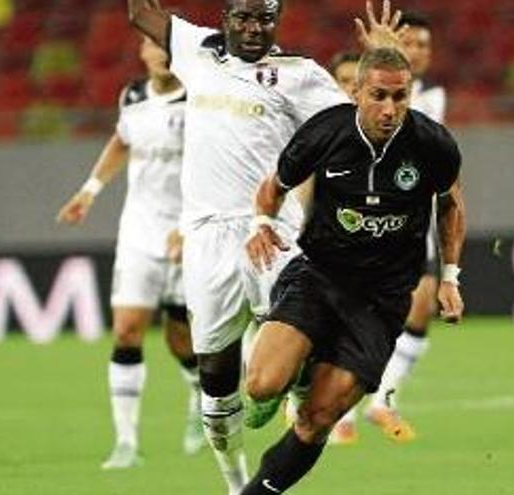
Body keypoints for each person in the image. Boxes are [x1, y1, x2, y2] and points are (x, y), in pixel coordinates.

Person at [125, 0, 396, 492]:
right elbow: (140, 14)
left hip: (273, 231)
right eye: (244, 18)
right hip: (207, 239)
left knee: (298, 335)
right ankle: (235, 483)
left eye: (265, 19)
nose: (254, 28)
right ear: (225, 19)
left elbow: (364, 123)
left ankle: (291, 392)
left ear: (278, 21)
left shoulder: (300, 75)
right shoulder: (194, 51)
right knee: (216, 375)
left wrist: (382, 57)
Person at [240, 46, 466, 495]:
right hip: (318, 277)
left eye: (400, 97)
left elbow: (451, 206)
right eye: (379, 95)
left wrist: (450, 276)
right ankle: (298, 374)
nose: (390, 108)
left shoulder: (432, 143)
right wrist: (262, 223)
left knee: (318, 418)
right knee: (262, 386)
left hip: (381, 300)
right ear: (356, 92)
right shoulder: (325, 132)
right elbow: (274, 187)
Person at [56, 37, 203, 469]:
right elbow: (122, 141)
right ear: (142, 53)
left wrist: (190, 224)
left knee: (182, 337)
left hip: (187, 233)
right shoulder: (133, 96)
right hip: (139, 232)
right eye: (153, 45)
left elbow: (214, 166)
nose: (161, 52)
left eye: (169, 45)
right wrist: (90, 189)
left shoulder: (202, 101)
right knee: (125, 330)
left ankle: (198, 393)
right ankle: (126, 442)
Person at [330, 10, 449, 445]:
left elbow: (413, 130)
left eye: (424, 47)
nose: (417, 51)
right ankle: (335, 410)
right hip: (358, 214)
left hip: (410, 216)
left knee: (420, 306)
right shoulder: (359, 90)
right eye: (410, 43)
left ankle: (382, 399)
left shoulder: (431, 96)